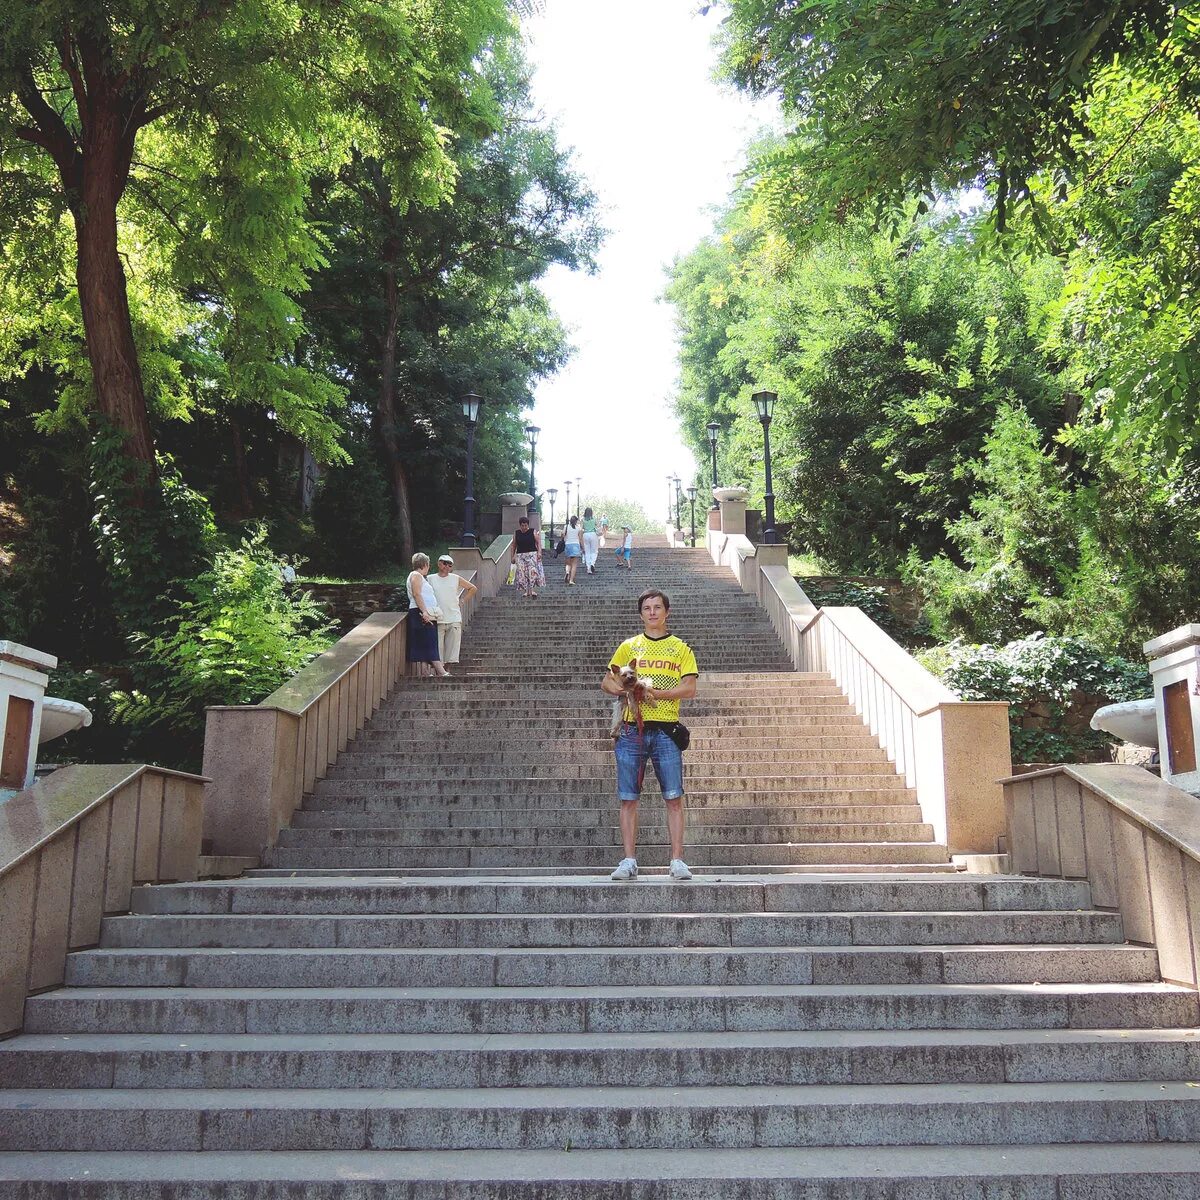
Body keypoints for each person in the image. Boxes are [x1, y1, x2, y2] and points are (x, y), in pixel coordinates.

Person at [601, 588, 699, 881]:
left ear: (667, 612)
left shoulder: (681, 648)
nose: (653, 612)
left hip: (667, 730)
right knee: (628, 797)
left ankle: (677, 860)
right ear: (641, 614)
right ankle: (629, 860)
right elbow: (607, 680)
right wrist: (620, 689)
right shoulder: (629, 646)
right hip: (632, 729)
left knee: (674, 797)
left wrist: (657, 693)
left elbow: (690, 688)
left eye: (658, 607)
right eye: (647, 608)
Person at [427, 554, 478, 666]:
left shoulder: (455, 578)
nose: (447, 567)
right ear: (439, 563)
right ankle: (439, 672)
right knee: (437, 650)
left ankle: (447, 672)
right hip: (437, 617)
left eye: (450, 565)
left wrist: (463, 600)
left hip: (453, 617)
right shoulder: (430, 578)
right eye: (444, 563)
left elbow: (472, 588)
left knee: (452, 652)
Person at [405, 553, 450, 678]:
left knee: (426, 641)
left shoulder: (419, 576)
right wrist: (424, 612)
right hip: (421, 612)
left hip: (424, 612)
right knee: (430, 641)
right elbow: (417, 594)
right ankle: (440, 671)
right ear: (425, 564)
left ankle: (425, 671)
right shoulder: (416, 575)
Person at [509, 516, 544, 599]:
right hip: (520, 555)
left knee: (532, 572)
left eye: (526, 525)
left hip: (532, 554)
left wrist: (539, 552)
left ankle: (532, 590)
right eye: (522, 525)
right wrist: (512, 557)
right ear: (520, 525)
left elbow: (538, 542)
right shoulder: (516, 533)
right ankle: (525, 591)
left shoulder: (533, 531)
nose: (524, 527)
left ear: (528, 525)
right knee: (522, 574)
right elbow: (513, 545)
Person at [563, 514, 583, 585]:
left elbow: (562, 535)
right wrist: (582, 547)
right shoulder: (579, 528)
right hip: (575, 545)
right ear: (576, 521)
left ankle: (567, 572)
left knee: (568, 563)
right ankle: (571, 580)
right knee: (574, 564)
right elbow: (580, 539)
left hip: (568, 545)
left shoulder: (566, 527)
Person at [581, 506, 600, 575]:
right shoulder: (594, 519)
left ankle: (588, 568)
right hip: (593, 534)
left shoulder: (583, 519)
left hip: (585, 535)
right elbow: (597, 527)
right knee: (594, 551)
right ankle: (592, 563)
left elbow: (581, 528)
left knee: (587, 552)